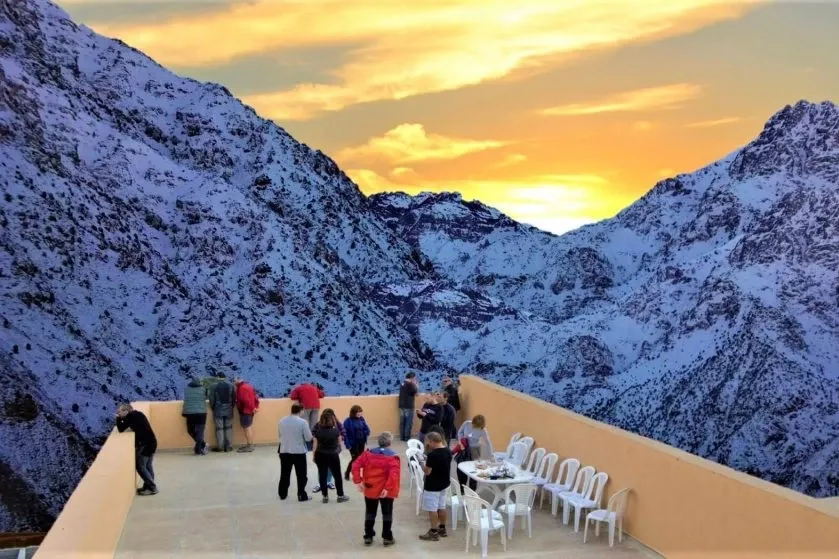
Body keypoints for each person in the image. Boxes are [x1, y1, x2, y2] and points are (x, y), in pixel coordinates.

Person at [352, 431, 400, 547]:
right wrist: (387, 488)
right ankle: (387, 537)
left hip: (370, 488)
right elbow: (393, 475)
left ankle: (368, 536)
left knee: (370, 512)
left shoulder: (367, 454)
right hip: (386, 491)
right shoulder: (392, 457)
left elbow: (355, 465)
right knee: (387, 513)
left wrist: (358, 481)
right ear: (390, 443)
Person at [116, 403, 158, 496]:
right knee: (148, 466)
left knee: (140, 466)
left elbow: (120, 428)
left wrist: (118, 418)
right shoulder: (138, 414)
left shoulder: (130, 417)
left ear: (126, 411)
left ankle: (152, 488)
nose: (118, 413)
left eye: (119, 411)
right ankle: (147, 486)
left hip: (145, 445)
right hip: (152, 442)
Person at [418, 432, 452, 541]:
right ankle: (442, 528)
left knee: (432, 509)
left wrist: (421, 463)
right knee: (442, 506)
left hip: (433, 486)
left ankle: (433, 532)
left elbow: (427, 472)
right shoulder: (448, 451)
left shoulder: (433, 455)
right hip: (444, 483)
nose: (428, 444)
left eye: (428, 442)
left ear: (432, 441)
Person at [312, 409, 349, 504]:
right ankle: (340, 496)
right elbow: (339, 445)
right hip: (333, 455)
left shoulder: (318, 432)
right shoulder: (336, 431)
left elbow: (315, 445)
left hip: (320, 455)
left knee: (322, 475)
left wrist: (314, 456)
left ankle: (325, 497)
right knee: (337, 476)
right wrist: (337, 451)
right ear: (332, 420)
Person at [278, 403, 313, 502]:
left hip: (284, 451)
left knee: (285, 474)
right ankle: (301, 495)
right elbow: (308, 437)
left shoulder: (282, 420)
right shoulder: (303, 422)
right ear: (301, 410)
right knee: (301, 475)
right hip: (298, 452)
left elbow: (280, 435)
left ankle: (282, 494)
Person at [456, 415, 493, 491]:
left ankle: (472, 491)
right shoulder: (466, 424)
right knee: (461, 469)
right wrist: (460, 441)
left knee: (473, 470)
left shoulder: (483, 430)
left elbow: (488, 443)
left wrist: (491, 456)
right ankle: (461, 489)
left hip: (474, 451)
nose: (474, 426)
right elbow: (460, 432)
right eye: (474, 424)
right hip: (464, 448)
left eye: (477, 426)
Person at [343, 405, 371, 480]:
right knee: (355, 459)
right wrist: (347, 445)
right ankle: (347, 472)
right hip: (353, 444)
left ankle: (358, 474)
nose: (359, 413)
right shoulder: (347, 421)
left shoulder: (362, 419)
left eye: (360, 411)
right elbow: (344, 435)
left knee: (360, 459)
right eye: (358, 412)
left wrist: (365, 433)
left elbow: (367, 429)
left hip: (361, 442)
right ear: (353, 412)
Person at [209, 372, 235, 452]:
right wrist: (231, 406)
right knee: (229, 428)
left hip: (218, 409)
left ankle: (220, 447)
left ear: (218, 377)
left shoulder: (213, 386)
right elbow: (233, 398)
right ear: (225, 377)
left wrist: (213, 407)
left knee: (219, 429)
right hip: (229, 409)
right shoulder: (231, 385)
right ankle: (229, 446)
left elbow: (212, 399)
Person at [182, 377, 208, 455]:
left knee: (190, 430)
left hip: (190, 413)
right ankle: (199, 448)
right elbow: (207, 396)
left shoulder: (186, 389)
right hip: (201, 413)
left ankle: (201, 446)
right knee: (200, 431)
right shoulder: (203, 389)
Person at [234, 377, 259, 452]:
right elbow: (255, 398)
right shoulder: (248, 386)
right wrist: (255, 407)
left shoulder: (242, 388)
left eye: (235, 381)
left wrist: (252, 408)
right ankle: (249, 444)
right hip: (249, 411)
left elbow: (245, 400)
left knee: (247, 428)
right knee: (248, 427)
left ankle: (250, 446)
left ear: (238, 381)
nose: (234, 382)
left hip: (245, 411)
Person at [397, 372, 418, 441]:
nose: (415, 379)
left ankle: (401, 437)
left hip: (402, 405)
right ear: (412, 378)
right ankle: (407, 438)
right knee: (408, 422)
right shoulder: (410, 384)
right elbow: (416, 393)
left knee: (402, 422)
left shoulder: (402, 383)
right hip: (409, 406)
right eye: (414, 378)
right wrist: (415, 385)